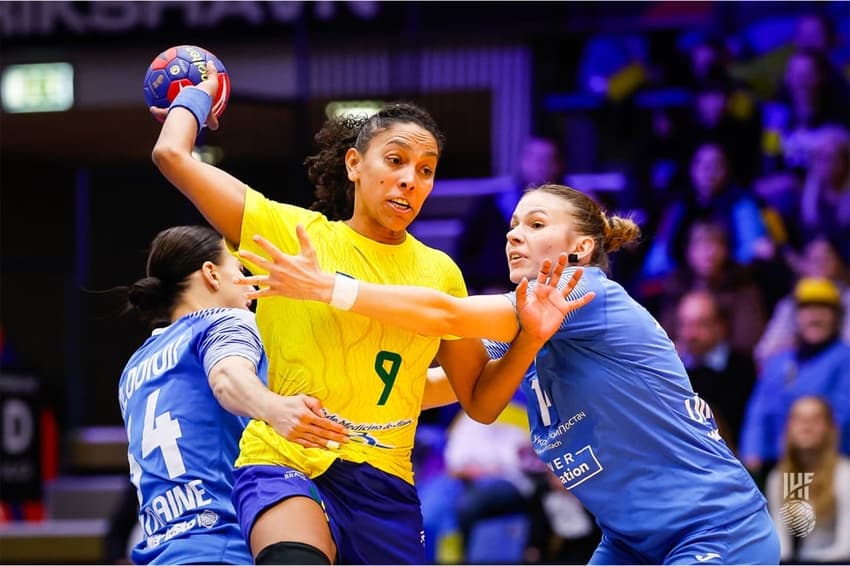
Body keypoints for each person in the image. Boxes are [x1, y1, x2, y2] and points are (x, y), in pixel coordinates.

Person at [148, 63, 590, 564]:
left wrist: (529, 341)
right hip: (286, 460)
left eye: (426, 170)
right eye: (396, 161)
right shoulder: (290, 232)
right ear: (355, 164)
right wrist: (199, 95)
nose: (410, 180)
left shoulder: (439, 271)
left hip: (383, 482)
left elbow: (481, 402)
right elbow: (171, 154)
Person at [236, 184, 780, 564]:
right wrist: (334, 403)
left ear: (580, 248)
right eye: (513, 224)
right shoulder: (525, 322)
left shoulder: (584, 291)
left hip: (714, 528)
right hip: (633, 540)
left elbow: (447, 314)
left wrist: (330, 288)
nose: (515, 235)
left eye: (536, 224)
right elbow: (443, 390)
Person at [117, 225, 347, 564]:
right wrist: (276, 408)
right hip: (225, 545)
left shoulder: (134, 367)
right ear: (211, 274)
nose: (251, 290)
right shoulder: (224, 321)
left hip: (162, 552)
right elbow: (227, 376)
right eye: (240, 271)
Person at [740, 277, 850, 478]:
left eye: (823, 309)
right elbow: (758, 411)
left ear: (837, 317)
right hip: (778, 466)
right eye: (806, 309)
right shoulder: (778, 361)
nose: (814, 317)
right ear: (796, 317)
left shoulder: (845, 359)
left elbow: (842, 415)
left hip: (829, 466)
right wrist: (752, 452)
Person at [766, 396, 850, 564]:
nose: (806, 425)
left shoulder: (844, 473)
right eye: (798, 419)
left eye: (815, 419)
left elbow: (846, 547)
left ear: (830, 428)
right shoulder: (780, 477)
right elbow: (783, 545)